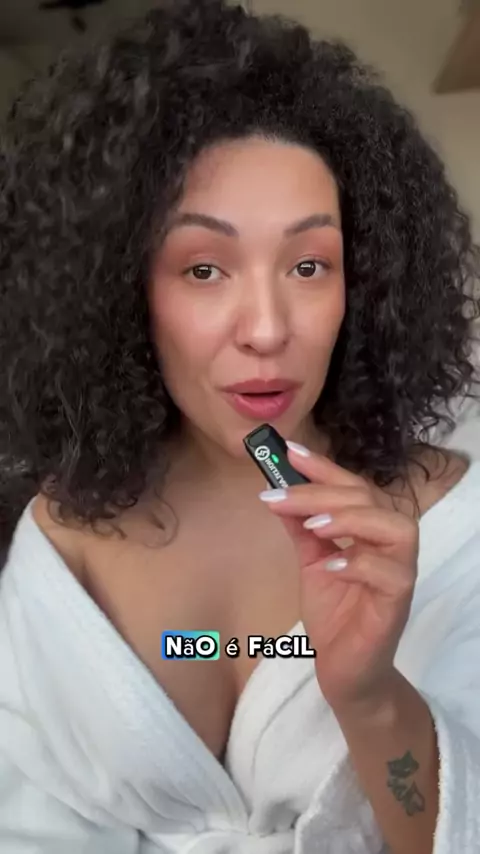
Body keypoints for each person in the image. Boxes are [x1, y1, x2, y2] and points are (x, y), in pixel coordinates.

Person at [0, 0, 479, 851]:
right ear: (121, 292)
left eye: (309, 264)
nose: (266, 328)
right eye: (203, 268)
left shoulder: (455, 532)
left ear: (364, 283)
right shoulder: (63, 547)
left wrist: (370, 696)